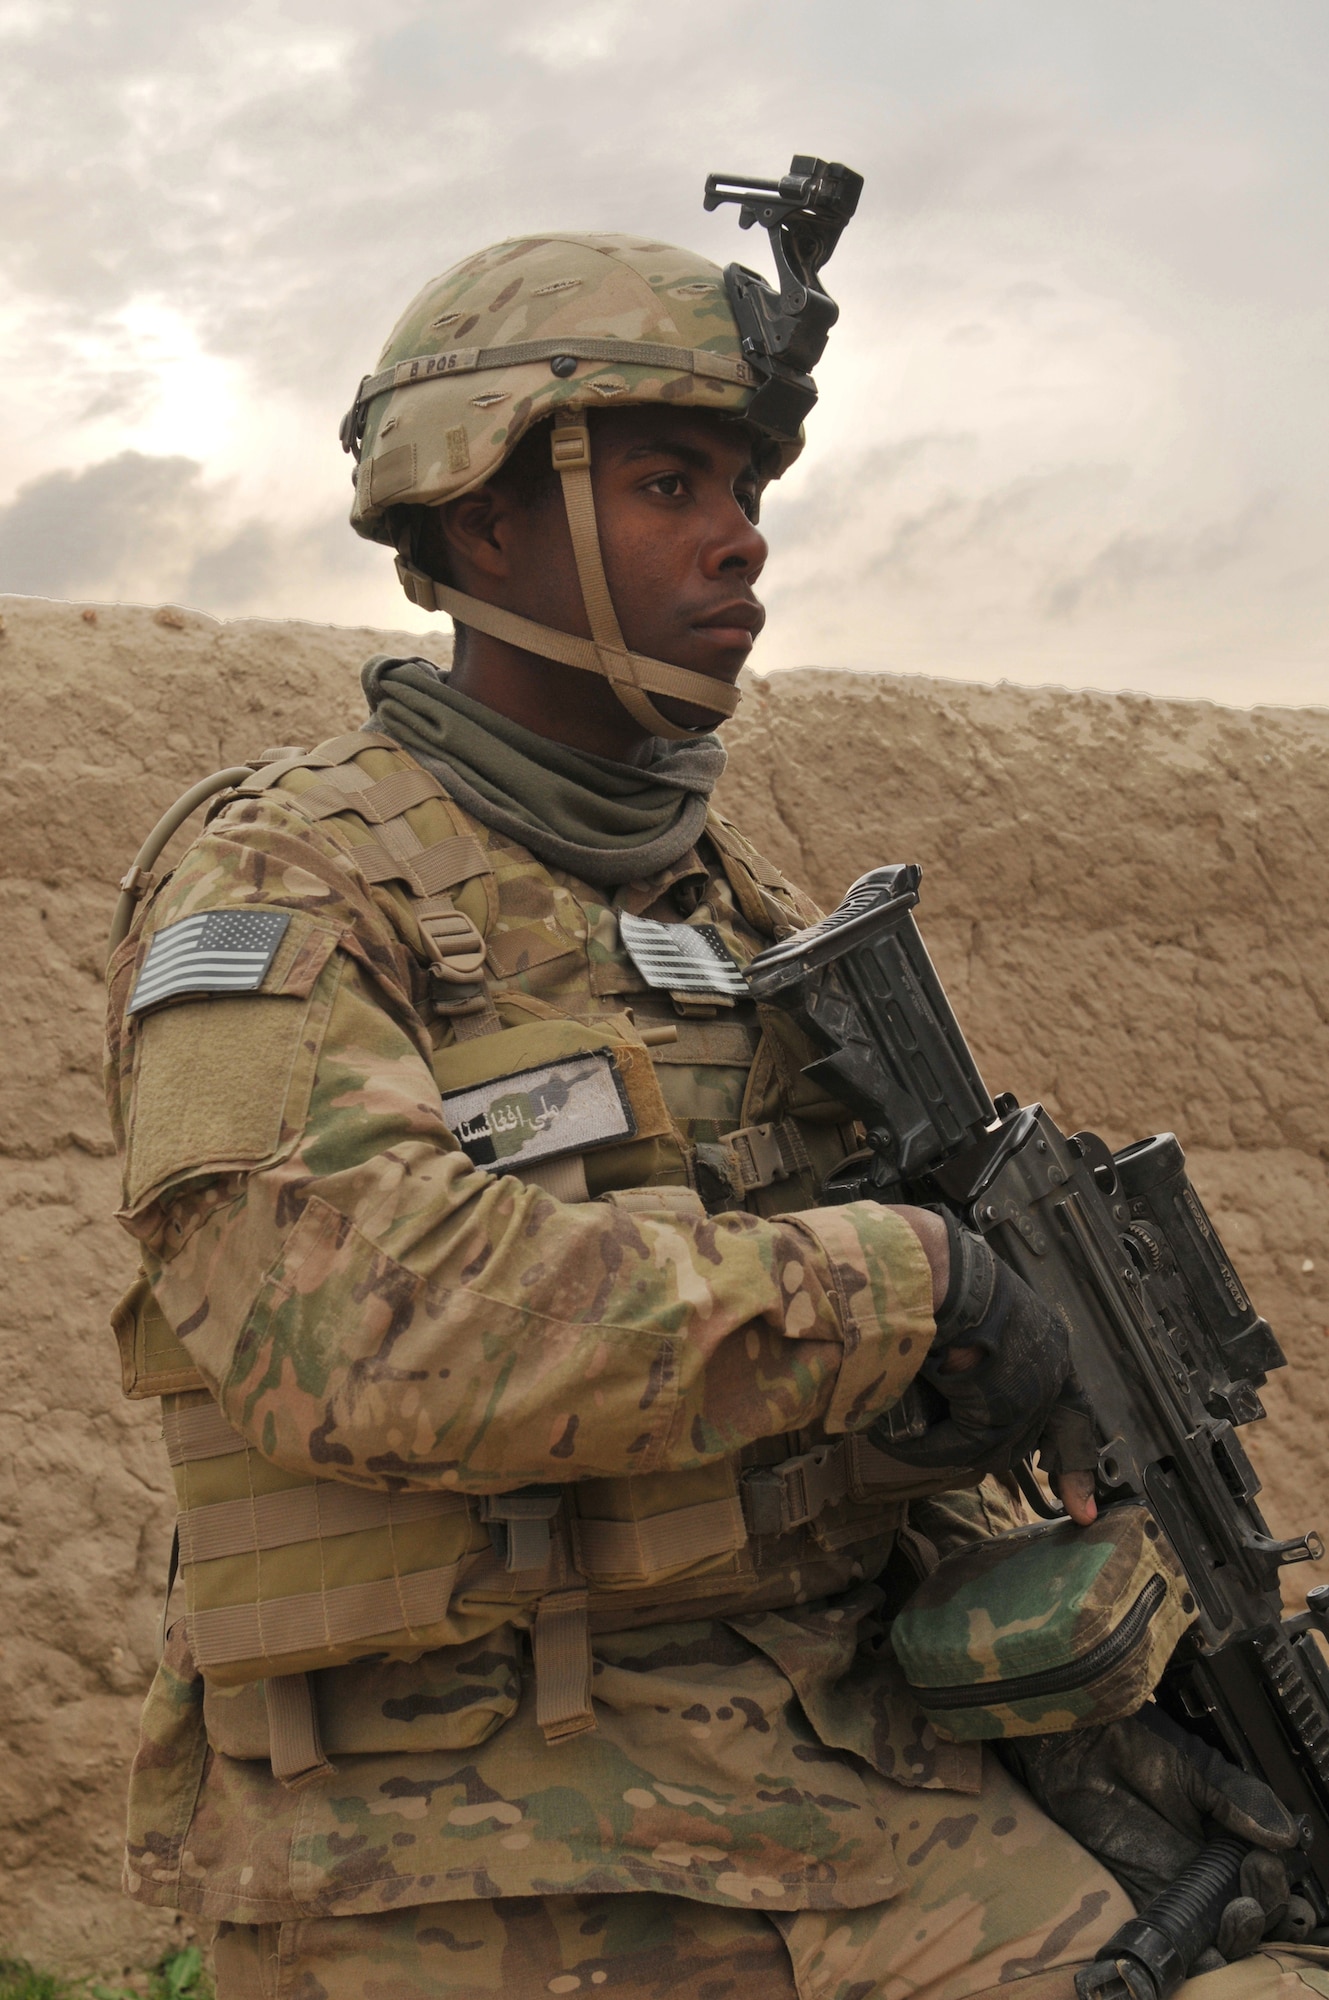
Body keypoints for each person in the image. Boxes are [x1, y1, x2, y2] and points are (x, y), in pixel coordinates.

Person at [104, 219, 1319, 2000]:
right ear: (479, 515)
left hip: (824, 1766)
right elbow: (353, 1327)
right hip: (478, 1833)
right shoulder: (292, 876)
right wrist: (917, 1288)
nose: (740, 537)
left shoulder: (723, 916)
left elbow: (821, 1402)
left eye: (746, 488)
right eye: (670, 481)